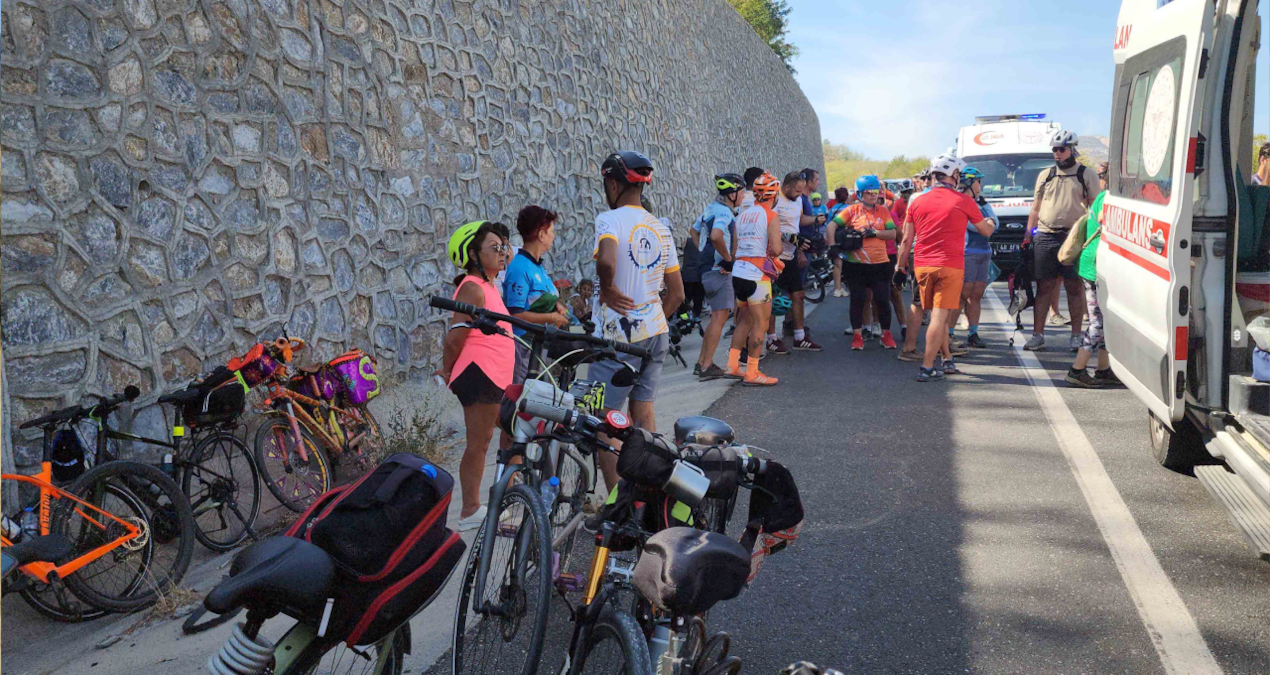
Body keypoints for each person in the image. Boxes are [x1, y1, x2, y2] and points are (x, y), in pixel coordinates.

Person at [590, 150, 684, 491]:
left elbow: (608, 259)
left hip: (618, 336)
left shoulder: (609, 219)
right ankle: (648, 493)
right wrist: (653, 317)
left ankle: (615, 506)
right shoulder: (660, 228)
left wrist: (607, 288)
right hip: (656, 333)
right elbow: (677, 294)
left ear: (613, 183)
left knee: (606, 422)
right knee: (644, 415)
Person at [439, 221, 514, 530]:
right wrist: (446, 370)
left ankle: (508, 495)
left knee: (514, 429)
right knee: (479, 442)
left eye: (504, 247)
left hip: (495, 375)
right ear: (472, 254)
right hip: (478, 373)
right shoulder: (472, 286)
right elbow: (455, 336)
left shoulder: (488, 286)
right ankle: (470, 510)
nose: (503, 252)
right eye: (494, 247)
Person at [896, 155, 996, 381]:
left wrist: (899, 268)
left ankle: (947, 359)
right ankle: (927, 366)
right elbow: (985, 231)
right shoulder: (963, 200)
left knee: (933, 314)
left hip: (922, 264)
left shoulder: (917, 200)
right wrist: (989, 222)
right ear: (955, 176)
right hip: (950, 264)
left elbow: (906, 240)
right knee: (940, 317)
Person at [1023, 129, 1099, 352]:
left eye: (1061, 149)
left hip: (1073, 238)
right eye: (1054, 149)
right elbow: (1035, 209)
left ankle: (1076, 336)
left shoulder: (1087, 174)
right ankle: (1037, 335)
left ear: (1072, 150)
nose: (1057, 153)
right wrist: (1028, 235)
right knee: (1044, 287)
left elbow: (1094, 209)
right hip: (1046, 236)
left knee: (1074, 287)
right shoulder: (1046, 175)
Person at [725, 172, 782, 386]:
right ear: (774, 195)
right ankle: (752, 372)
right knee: (761, 323)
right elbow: (776, 249)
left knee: (744, 320)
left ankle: (732, 365)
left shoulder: (742, 215)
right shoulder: (771, 216)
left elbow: (734, 250)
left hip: (739, 271)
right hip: (758, 275)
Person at [503, 205, 571, 384]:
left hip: (539, 348)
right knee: (520, 404)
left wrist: (557, 306)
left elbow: (541, 299)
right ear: (541, 235)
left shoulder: (538, 267)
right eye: (551, 231)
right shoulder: (519, 268)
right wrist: (551, 317)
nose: (554, 236)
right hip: (523, 349)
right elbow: (515, 315)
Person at [1068, 162, 1121, 387]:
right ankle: (1077, 369)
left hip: (1096, 264)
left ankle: (1103, 369)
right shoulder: (1108, 198)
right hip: (1094, 266)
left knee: (1106, 319)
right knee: (1098, 321)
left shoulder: (1104, 195)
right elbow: (1103, 219)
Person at [830, 175, 898, 350]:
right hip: (856, 264)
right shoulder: (851, 210)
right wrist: (833, 247)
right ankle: (858, 336)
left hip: (880, 263)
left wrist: (874, 233)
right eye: (869, 192)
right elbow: (831, 226)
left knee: (882, 299)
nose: (873, 195)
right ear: (860, 194)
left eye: (876, 192)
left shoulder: (883, 210)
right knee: (858, 300)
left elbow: (892, 234)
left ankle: (886, 334)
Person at [692, 173, 746, 380]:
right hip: (719, 272)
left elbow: (693, 231)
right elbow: (716, 236)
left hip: (707, 270)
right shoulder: (724, 212)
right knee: (719, 318)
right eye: (740, 192)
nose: (742, 196)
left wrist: (704, 253)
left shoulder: (711, 209)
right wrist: (727, 258)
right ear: (732, 193)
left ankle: (701, 362)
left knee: (716, 317)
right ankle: (706, 366)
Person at [770, 171, 822, 353]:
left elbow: (798, 222)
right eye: (797, 191)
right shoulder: (775, 200)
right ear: (786, 187)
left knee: (798, 294)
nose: (800, 195)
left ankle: (799, 337)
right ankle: (771, 338)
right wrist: (789, 238)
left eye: (802, 191)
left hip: (790, 255)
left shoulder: (798, 200)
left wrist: (816, 219)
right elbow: (769, 226)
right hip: (774, 257)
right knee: (774, 298)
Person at [951, 167, 998, 349]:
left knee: (977, 294)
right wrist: (987, 223)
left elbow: (995, 222)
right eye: (979, 181)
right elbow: (973, 226)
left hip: (983, 252)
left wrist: (989, 222)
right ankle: (949, 333)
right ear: (970, 183)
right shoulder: (961, 201)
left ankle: (973, 332)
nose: (981, 185)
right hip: (967, 252)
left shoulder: (983, 202)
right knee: (963, 294)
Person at [829, 187, 851, 297]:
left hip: (836, 237)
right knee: (851, 261)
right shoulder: (851, 208)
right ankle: (851, 286)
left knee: (837, 263)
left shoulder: (833, 209)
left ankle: (838, 289)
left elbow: (829, 224)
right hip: (849, 237)